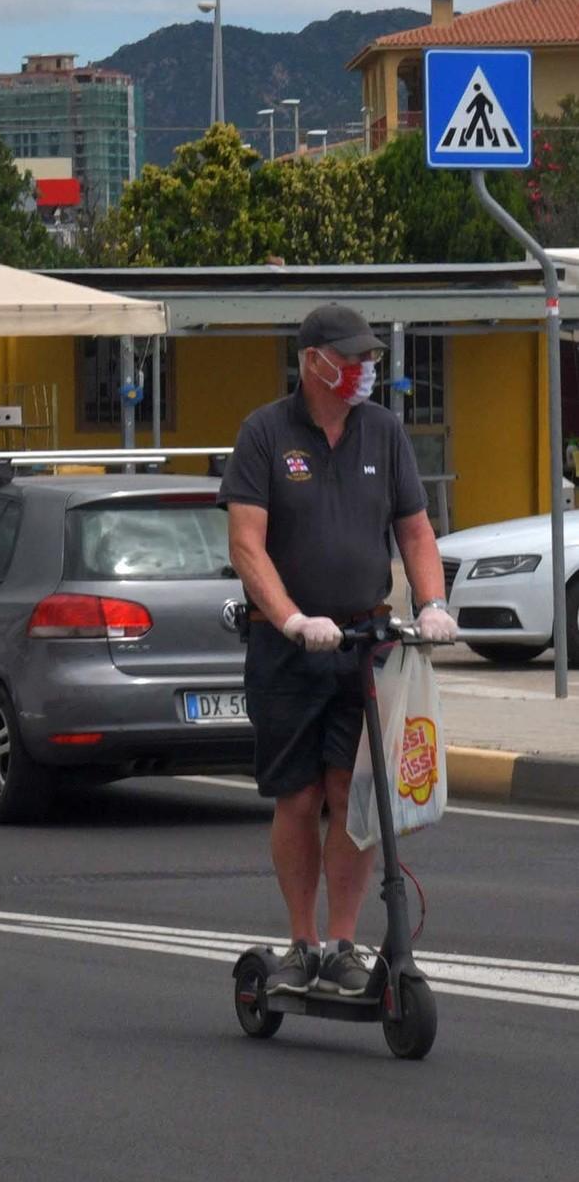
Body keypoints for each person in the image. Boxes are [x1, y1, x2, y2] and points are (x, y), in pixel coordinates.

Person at [219, 304, 457, 998]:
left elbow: (413, 530)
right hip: (287, 648)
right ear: (313, 360)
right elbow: (245, 544)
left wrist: (430, 603)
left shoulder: (382, 432)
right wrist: (291, 618)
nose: (363, 371)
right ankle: (301, 941)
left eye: (368, 359)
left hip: (362, 644)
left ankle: (344, 944)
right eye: (351, 359)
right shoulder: (264, 433)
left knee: (353, 796)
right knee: (296, 797)